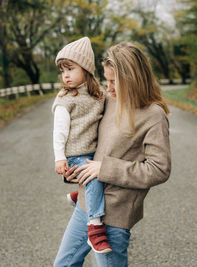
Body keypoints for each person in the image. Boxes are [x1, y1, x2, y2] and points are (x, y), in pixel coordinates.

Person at [53, 42, 172, 266]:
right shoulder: (107, 101)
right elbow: (86, 138)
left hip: (116, 214)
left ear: (133, 80)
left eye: (114, 82)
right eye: (106, 80)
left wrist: (104, 168)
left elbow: (159, 169)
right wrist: (72, 169)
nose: (108, 88)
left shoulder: (153, 116)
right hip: (87, 206)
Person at [52, 36, 112, 254]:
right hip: (75, 154)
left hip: (92, 152)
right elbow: (59, 133)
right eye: (62, 70)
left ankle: (81, 196)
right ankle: (95, 228)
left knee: (106, 168)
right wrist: (59, 157)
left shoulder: (98, 94)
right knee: (93, 174)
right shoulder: (66, 99)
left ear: (86, 68)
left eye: (70, 68)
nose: (65, 75)